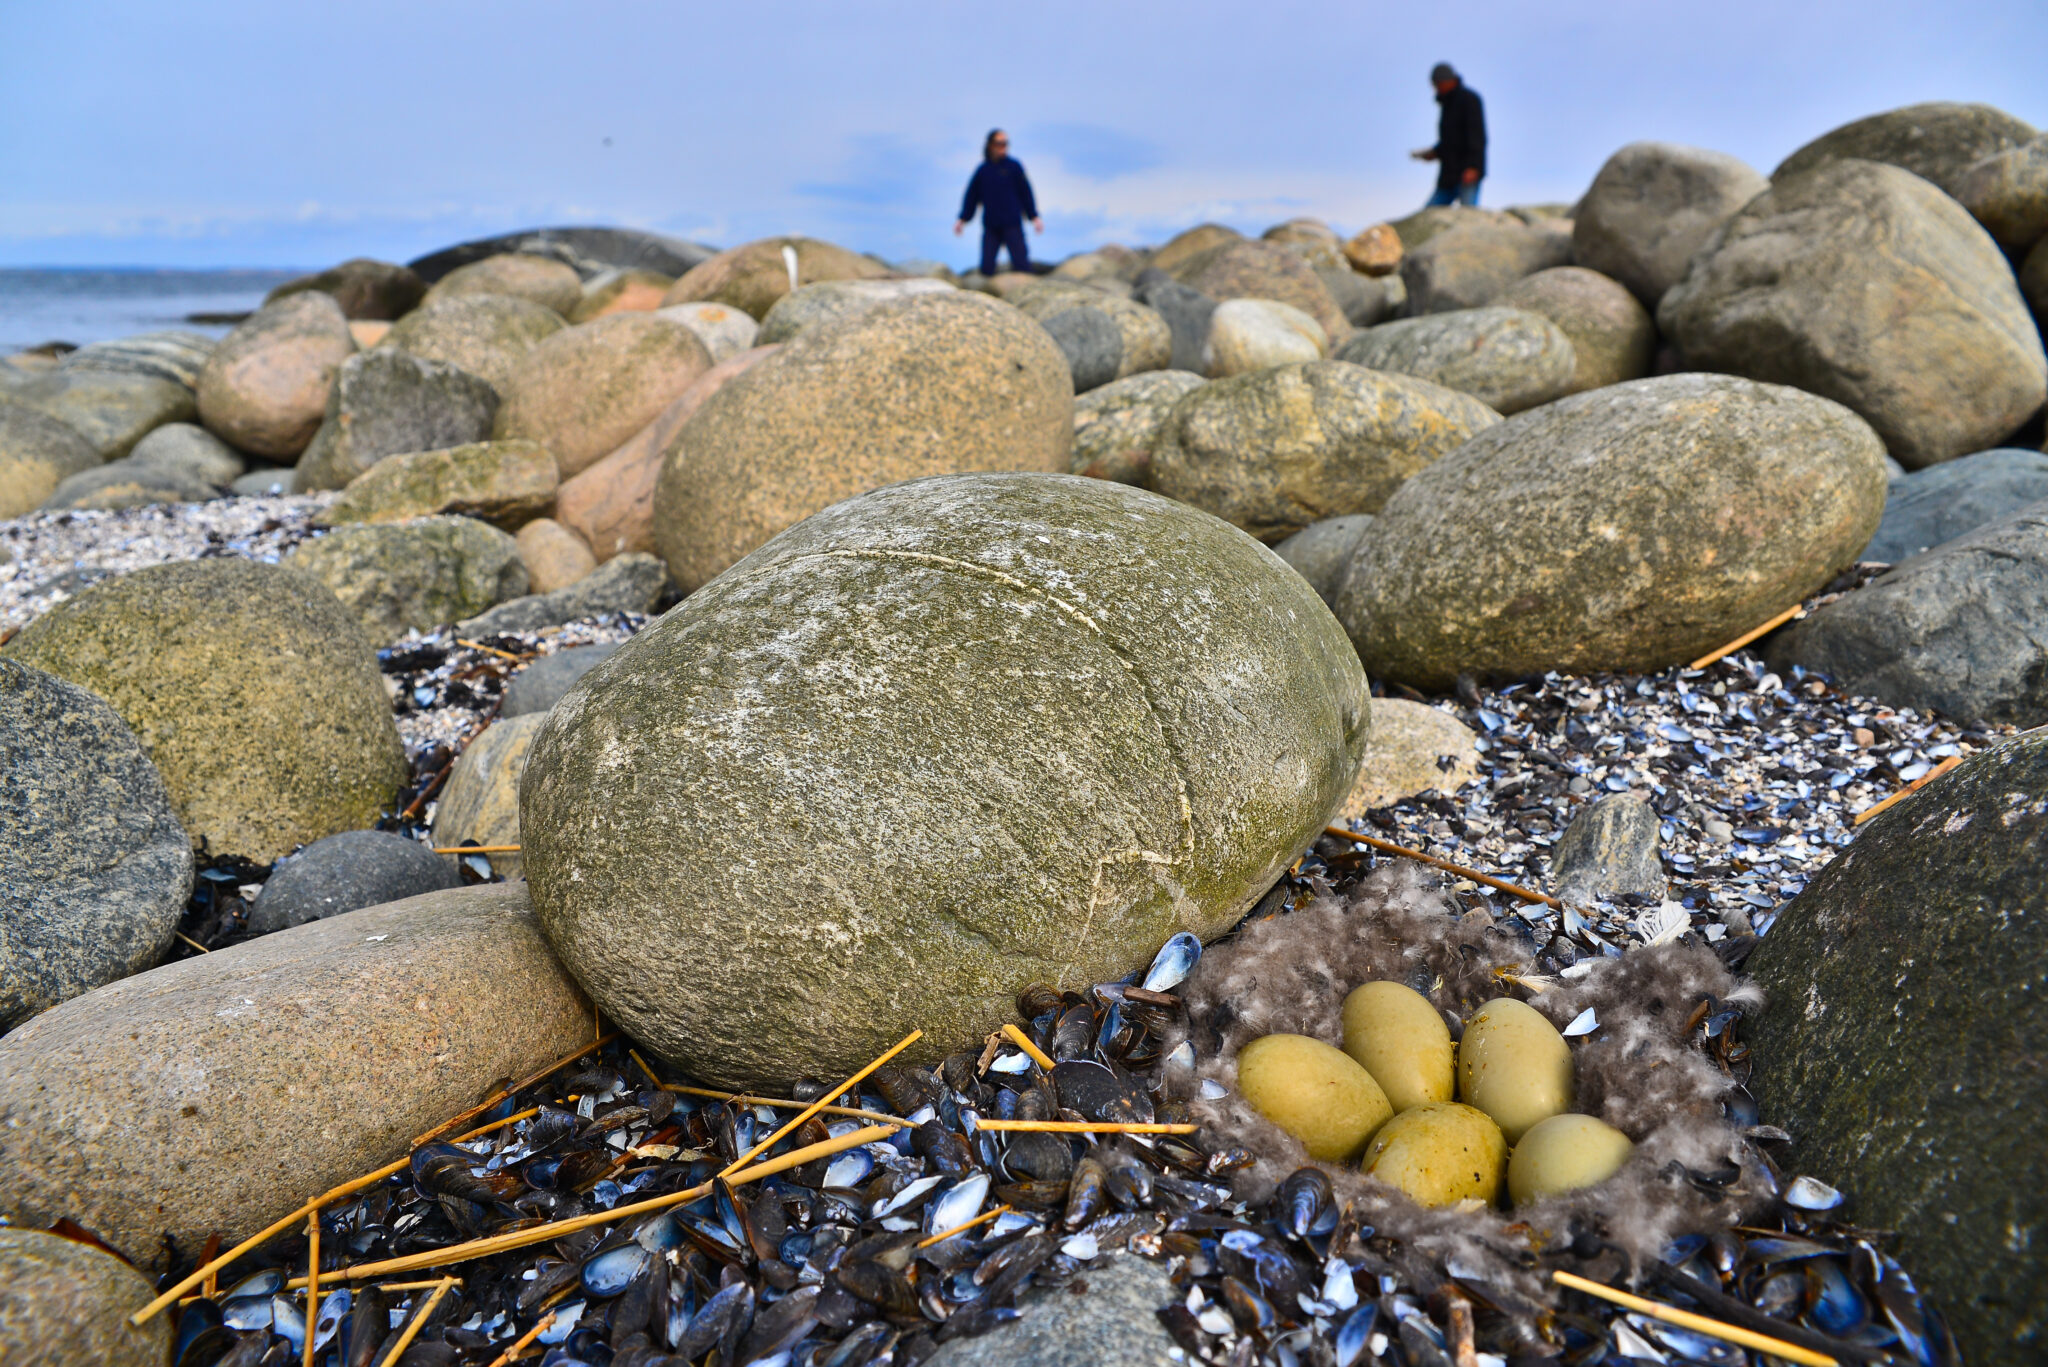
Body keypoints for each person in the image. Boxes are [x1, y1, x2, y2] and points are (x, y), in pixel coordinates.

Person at [955, 129, 1043, 275]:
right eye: (999, 143)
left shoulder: (1014, 167)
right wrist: (962, 219)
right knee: (987, 269)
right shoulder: (983, 170)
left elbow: (1026, 192)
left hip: (1012, 224)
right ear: (990, 145)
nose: (1004, 147)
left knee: (1022, 266)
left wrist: (1034, 216)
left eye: (1006, 143)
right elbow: (971, 196)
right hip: (991, 226)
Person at [1410, 63, 1486, 207]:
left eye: (1438, 84)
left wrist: (1474, 167)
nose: (1436, 88)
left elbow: (1477, 136)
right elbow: (1450, 141)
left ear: (1447, 81)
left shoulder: (1469, 100)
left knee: (1467, 218)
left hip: (1467, 173)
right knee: (1428, 216)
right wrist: (1435, 153)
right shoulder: (1447, 105)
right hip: (1448, 175)